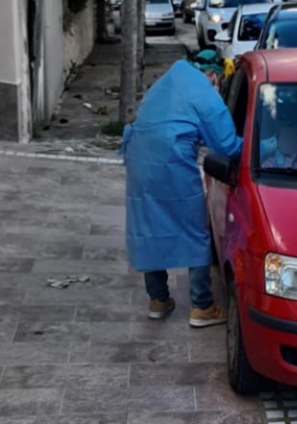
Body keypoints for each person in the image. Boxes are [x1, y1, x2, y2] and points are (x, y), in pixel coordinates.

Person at [119, 49, 242, 328]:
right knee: (194, 229)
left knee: (150, 227)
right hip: (171, 162)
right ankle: (202, 306)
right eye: (219, 80)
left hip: (139, 162)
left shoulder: (168, 80)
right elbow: (227, 146)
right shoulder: (204, 91)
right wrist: (262, 146)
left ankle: (158, 300)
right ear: (213, 75)